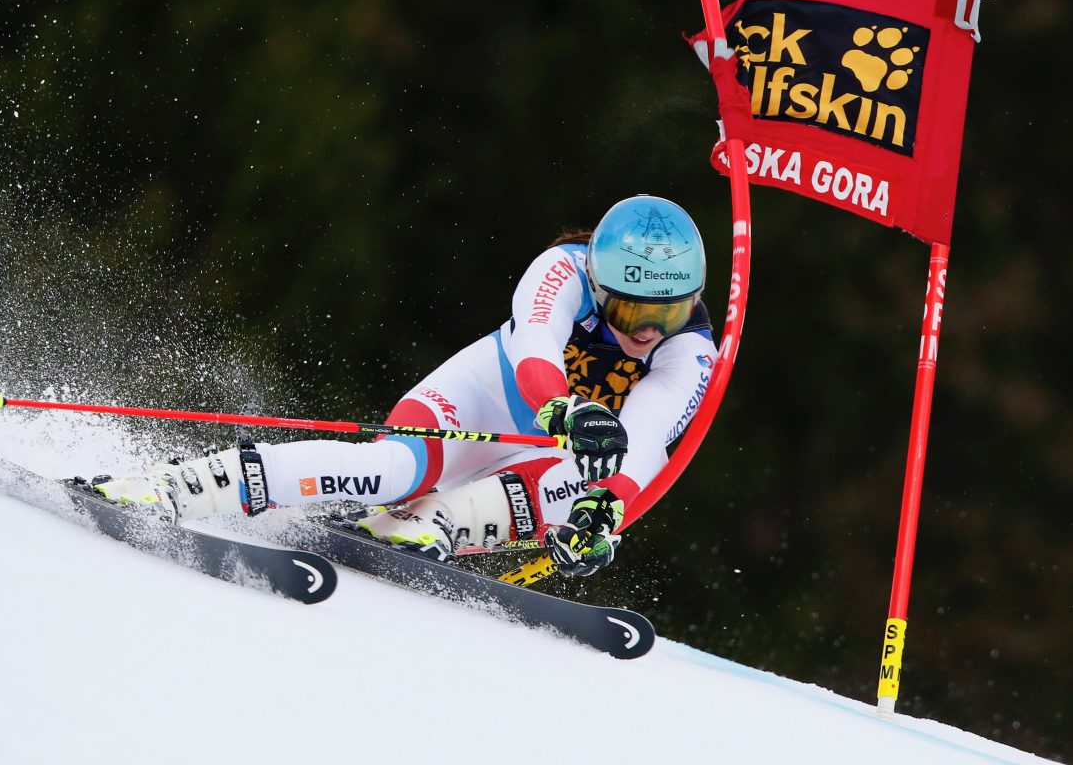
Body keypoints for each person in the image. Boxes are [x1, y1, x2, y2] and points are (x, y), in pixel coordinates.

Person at [95, 195, 717, 577]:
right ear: (601, 285)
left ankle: (431, 524)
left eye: (667, 314)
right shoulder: (562, 270)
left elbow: (649, 428)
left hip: (552, 449)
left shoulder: (692, 345)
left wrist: (604, 509)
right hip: (487, 398)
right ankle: (181, 485)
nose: (647, 333)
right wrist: (560, 407)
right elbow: (534, 350)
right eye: (634, 314)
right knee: (392, 470)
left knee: (615, 471)